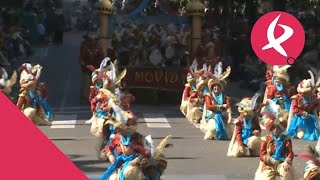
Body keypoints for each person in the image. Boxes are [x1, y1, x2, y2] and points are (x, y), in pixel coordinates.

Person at [254, 114, 295, 180]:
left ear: (280, 128)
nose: (275, 130)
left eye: (277, 128)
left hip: (282, 163)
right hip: (269, 165)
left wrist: (287, 160)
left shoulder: (286, 139)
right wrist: (270, 159)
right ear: (270, 129)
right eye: (273, 128)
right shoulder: (265, 139)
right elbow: (262, 155)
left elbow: (290, 152)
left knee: (286, 172)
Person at [201, 63, 232, 140]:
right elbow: (209, 106)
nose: (216, 88)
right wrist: (220, 106)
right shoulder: (209, 96)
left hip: (223, 116)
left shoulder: (225, 96)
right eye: (214, 86)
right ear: (212, 88)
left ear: (221, 88)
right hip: (212, 116)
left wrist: (230, 117)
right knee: (213, 128)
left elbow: (228, 106)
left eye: (218, 86)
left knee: (227, 132)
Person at [287, 70, 319, 141]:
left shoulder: (312, 98)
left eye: (306, 92)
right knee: (298, 128)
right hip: (299, 117)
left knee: (311, 131)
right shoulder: (297, 98)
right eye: (303, 92)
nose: (304, 94)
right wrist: (302, 113)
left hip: (310, 118)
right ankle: (299, 131)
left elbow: (316, 105)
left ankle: (307, 133)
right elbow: (295, 109)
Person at [79, 33, 104, 104]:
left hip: (96, 68)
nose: (93, 42)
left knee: (96, 83)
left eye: (94, 40)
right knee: (87, 83)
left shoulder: (99, 48)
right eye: (91, 40)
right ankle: (86, 97)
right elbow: (81, 58)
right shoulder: (84, 47)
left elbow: (102, 57)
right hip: (87, 69)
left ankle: (96, 97)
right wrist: (84, 65)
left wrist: (101, 67)